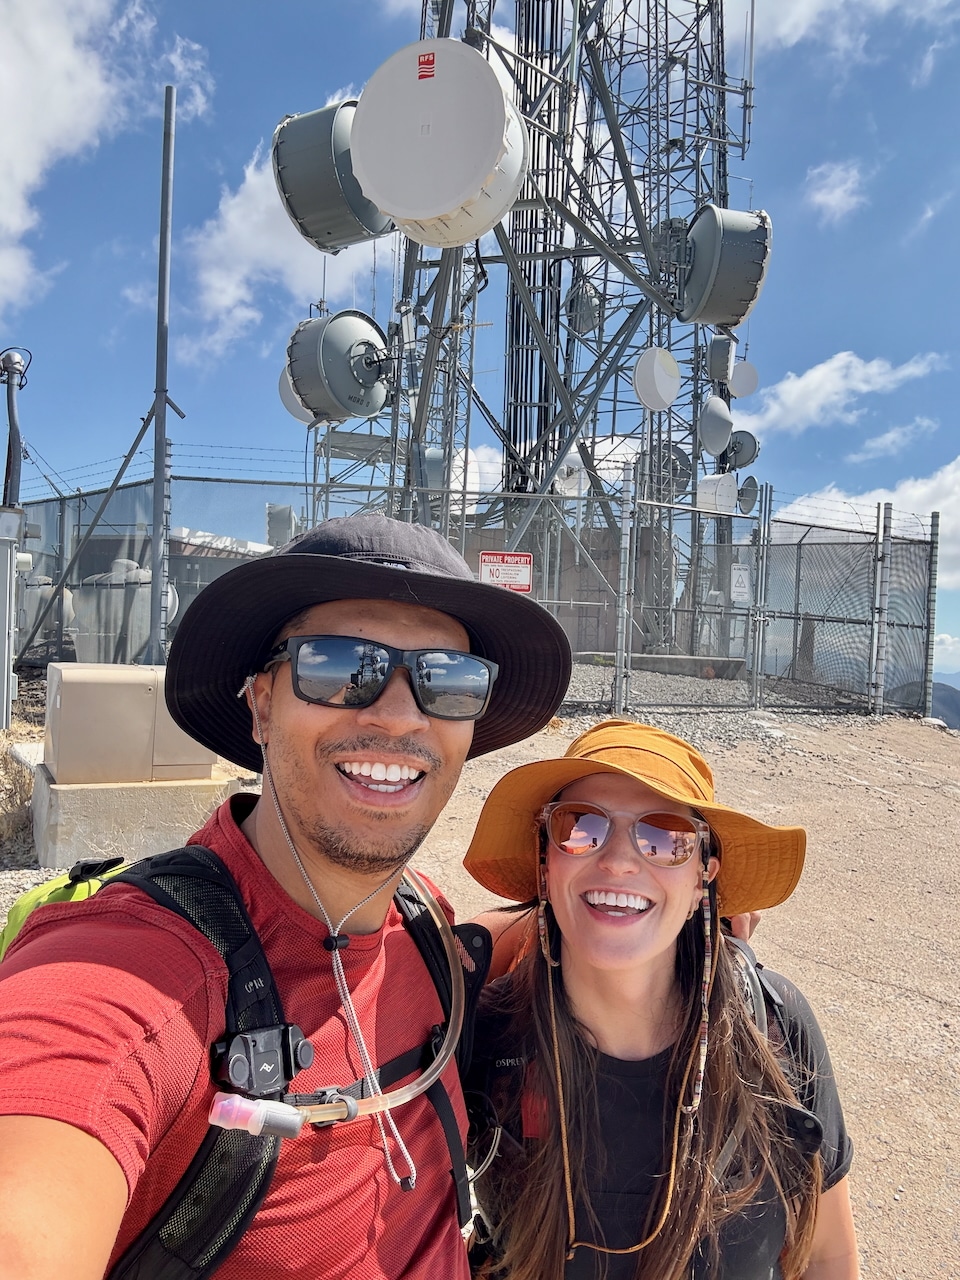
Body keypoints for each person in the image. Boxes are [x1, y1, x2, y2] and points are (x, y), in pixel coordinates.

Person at [0, 513, 572, 1280]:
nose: (400, 714)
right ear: (262, 703)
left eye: (447, 679)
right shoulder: (139, 973)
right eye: (340, 667)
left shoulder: (422, 924)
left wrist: (623, 907)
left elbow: (479, 938)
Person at [462, 719, 859, 1280]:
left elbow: (828, 1256)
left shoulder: (772, 1026)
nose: (621, 861)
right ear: (546, 864)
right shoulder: (485, 1038)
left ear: (704, 876)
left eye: (665, 838)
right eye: (580, 828)